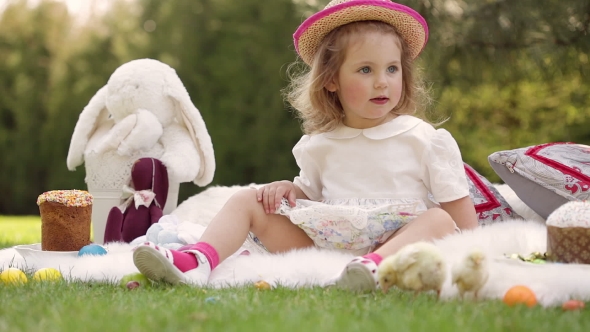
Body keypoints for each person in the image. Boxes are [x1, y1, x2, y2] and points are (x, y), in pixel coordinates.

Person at [132, 0, 478, 291]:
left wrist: (473, 253)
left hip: (396, 246)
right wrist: (289, 189)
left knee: (439, 219)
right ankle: (197, 260)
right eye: (365, 70)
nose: (381, 82)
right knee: (245, 199)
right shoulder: (319, 144)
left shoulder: (422, 138)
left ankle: (371, 269)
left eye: (391, 69)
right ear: (330, 80)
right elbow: (310, 200)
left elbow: (463, 223)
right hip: (327, 248)